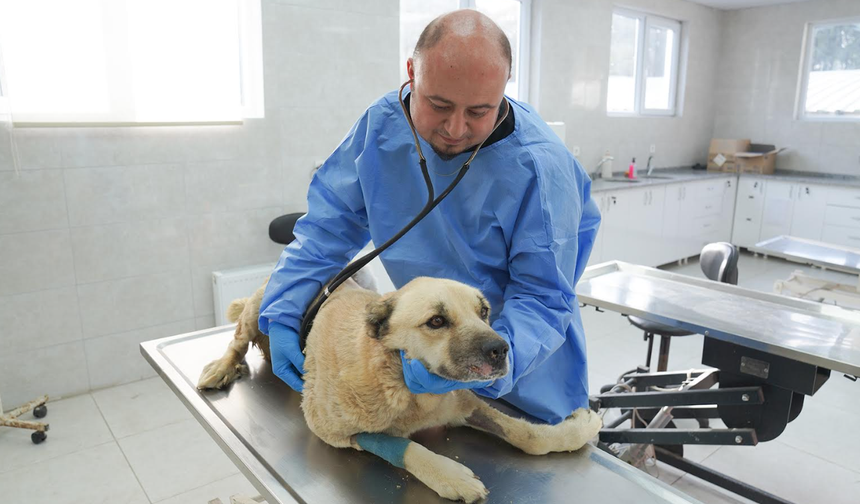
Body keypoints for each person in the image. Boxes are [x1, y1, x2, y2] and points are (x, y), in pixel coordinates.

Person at [258, 9, 600, 425]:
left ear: (504, 90)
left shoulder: (540, 169)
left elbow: (544, 297)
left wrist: (480, 368)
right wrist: (282, 312)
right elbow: (324, 233)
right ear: (411, 74)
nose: (455, 128)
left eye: (478, 112)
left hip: (522, 374)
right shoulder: (381, 128)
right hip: (428, 357)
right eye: (439, 105)